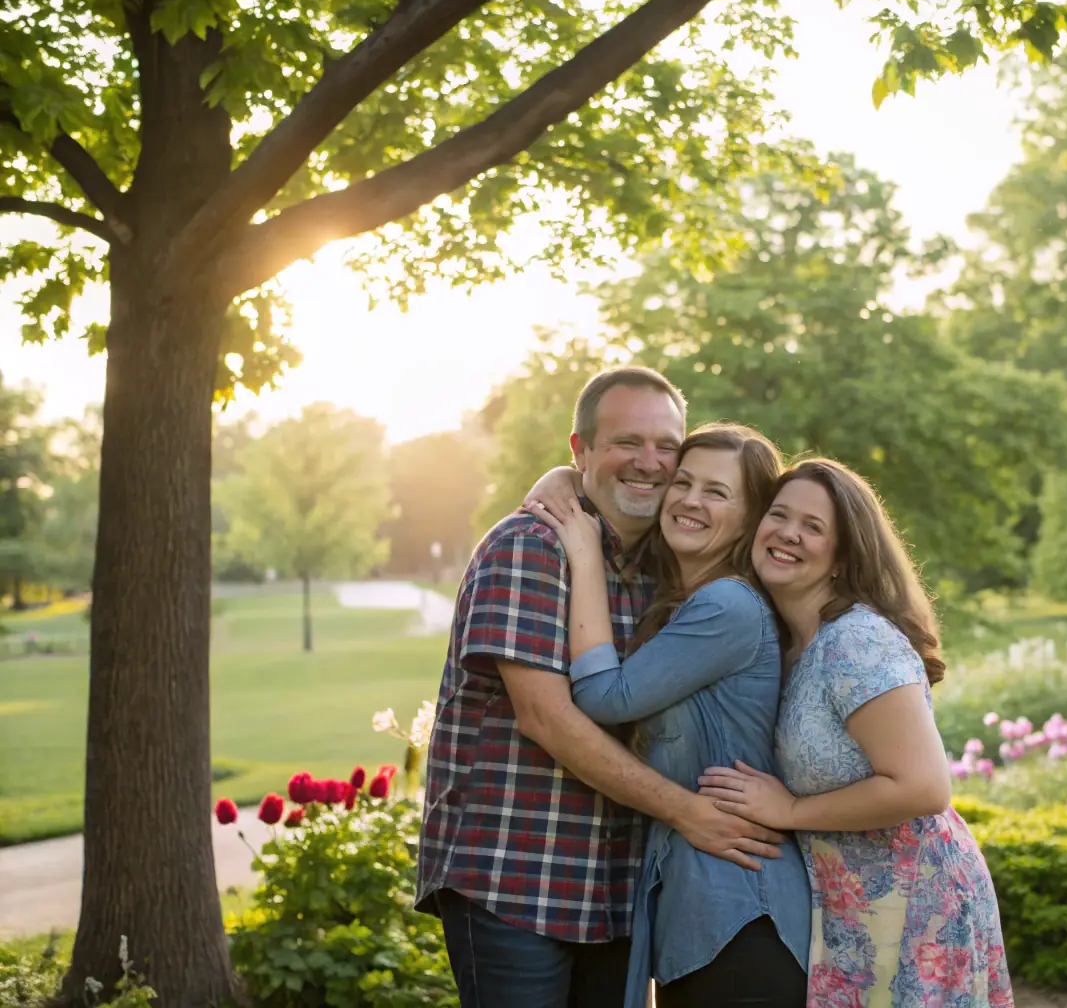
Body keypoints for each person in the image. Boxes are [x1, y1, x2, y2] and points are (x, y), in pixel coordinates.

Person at [416, 368, 785, 1008]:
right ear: (580, 450)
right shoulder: (528, 548)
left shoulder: (670, 572)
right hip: (516, 875)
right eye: (625, 442)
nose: (649, 462)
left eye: (666, 447)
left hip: (617, 890)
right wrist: (685, 811)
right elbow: (547, 718)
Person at [699, 458, 1014, 1008]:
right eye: (779, 515)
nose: (789, 533)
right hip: (854, 909)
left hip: (917, 905)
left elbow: (923, 788)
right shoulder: (785, 642)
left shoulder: (857, 643)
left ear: (843, 556)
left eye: (813, 527)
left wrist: (789, 811)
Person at [526, 424, 810, 1008]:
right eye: (683, 482)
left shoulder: (726, 604)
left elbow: (605, 697)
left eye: (716, 492)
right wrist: (564, 477)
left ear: (752, 517)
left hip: (740, 908)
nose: (688, 499)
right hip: (703, 905)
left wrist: (580, 553)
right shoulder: (684, 594)